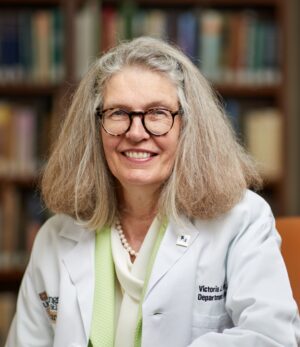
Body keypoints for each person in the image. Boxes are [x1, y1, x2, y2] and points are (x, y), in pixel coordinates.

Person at [5, 37, 300, 347]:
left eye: (157, 113)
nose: (136, 132)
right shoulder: (55, 237)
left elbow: (271, 338)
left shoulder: (242, 220)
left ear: (188, 126)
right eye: (118, 113)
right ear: (95, 127)